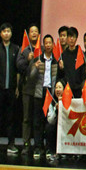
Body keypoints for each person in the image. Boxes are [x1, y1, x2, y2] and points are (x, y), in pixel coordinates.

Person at [31, 34, 59, 158]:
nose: (48, 45)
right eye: (46, 43)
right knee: (38, 122)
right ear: (43, 45)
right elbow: (31, 77)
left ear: (53, 45)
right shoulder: (38, 59)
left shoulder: (56, 61)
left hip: (50, 94)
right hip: (39, 93)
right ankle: (38, 147)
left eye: (50, 43)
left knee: (50, 122)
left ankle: (49, 148)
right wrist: (35, 68)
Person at [16, 23, 41, 155]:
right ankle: (26, 143)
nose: (34, 33)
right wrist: (27, 59)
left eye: (36, 31)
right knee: (26, 118)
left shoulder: (42, 49)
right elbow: (19, 66)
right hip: (26, 87)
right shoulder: (24, 49)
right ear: (28, 34)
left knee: (38, 119)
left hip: (39, 88)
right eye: (32, 31)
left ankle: (38, 144)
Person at [59, 27, 84, 98]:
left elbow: (83, 74)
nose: (72, 39)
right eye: (70, 36)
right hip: (67, 89)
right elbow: (60, 75)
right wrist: (61, 68)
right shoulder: (63, 55)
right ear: (67, 38)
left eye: (74, 37)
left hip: (78, 90)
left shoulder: (80, 53)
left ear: (76, 38)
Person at [46, 79, 65, 161]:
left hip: (67, 127)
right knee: (49, 127)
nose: (57, 89)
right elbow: (50, 120)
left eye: (60, 87)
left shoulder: (69, 100)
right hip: (56, 125)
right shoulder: (52, 101)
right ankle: (52, 151)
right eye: (56, 87)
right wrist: (56, 110)